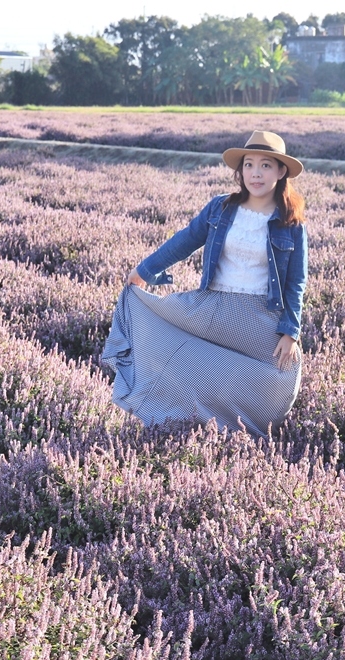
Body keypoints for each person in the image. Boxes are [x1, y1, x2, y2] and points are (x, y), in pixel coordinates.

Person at [101, 130, 307, 438]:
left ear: (281, 172)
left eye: (266, 165)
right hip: (213, 305)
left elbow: (296, 281)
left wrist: (290, 330)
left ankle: (239, 434)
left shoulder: (290, 224)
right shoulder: (220, 209)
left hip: (259, 316)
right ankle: (180, 423)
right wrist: (144, 270)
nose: (256, 173)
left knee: (279, 375)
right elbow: (185, 241)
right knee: (179, 351)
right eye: (249, 165)